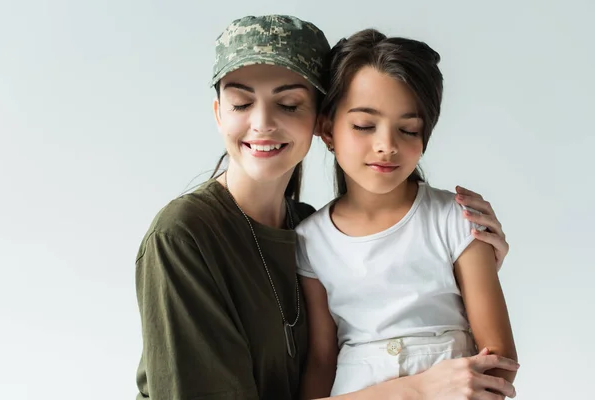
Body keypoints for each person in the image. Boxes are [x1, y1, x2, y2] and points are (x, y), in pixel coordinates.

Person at [134, 15, 519, 400]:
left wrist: (466, 264)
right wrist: (416, 389)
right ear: (219, 113)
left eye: (288, 104)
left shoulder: (303, 229)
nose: (263, 122)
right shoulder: (184, 236)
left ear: (317, 120)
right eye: (241, 103)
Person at [295, 29, 518, 399]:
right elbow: (322, 361)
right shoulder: (310, 240)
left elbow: (499, 362)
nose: (387, 146)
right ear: (326, 129)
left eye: (409, 129)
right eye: (364, 126)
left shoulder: (455, 218)